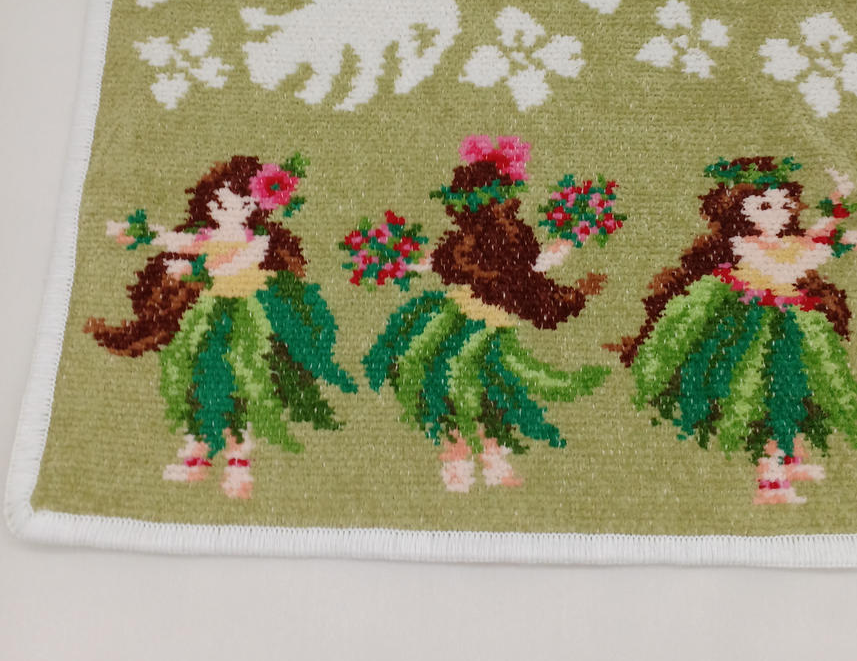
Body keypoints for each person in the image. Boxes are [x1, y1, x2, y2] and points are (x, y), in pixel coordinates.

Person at [85, 154, 356, 499]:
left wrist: (193, 269)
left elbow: (230, 263)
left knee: (240, 389)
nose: (222, 209)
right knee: (200, 385)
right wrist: (139, 234)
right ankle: (197, 456)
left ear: (252, 207)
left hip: (249, 320)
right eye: (218, 202)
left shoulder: (256, 239)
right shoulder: (207, 234)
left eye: (233, 204)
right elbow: (176, 241)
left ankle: (238, 465)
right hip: (210, 317)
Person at [612, 156, 857, 503]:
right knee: (765, 396)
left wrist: (839, 201)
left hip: (789, 321)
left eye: (784, 206)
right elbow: (791, 265)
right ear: (739, 211)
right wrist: (834, 245)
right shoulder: (745, 245)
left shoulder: (786, 242)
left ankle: (788, 455)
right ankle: (769, 474)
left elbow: (813, 238)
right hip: (750, 327)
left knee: (796, 392)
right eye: (764, 206)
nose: (777, 215)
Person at [362, 136, 610, 492]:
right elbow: (443, 261)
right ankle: (461, 459)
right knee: (456, 388)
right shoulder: (481, 243)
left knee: (486, 393)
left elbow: (531, 267)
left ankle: (485, 458)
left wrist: (569, 245)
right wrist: (397, 257)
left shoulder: (513, 242)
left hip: (488, 328)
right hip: (459, 321)